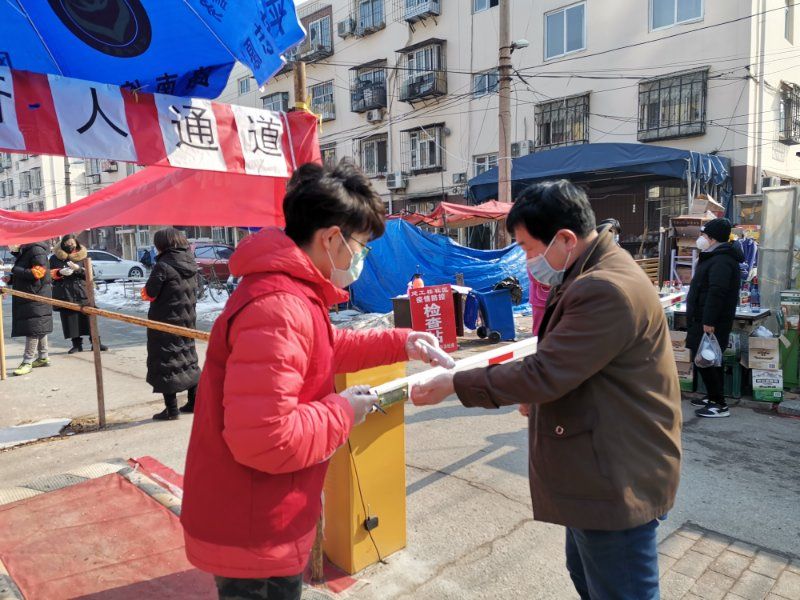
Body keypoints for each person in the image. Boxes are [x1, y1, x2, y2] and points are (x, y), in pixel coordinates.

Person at [180, 162, 445, 600]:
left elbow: (325, 346)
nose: (360, 257)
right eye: (361, 245)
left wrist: (404, 342)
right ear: (332, 238)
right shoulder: (279, 306)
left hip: (265, 513)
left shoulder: (291, 293)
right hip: (254, 526)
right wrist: (344, 411)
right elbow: (266, 438)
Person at [412, 180, 682, 600]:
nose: (526, 260)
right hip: (600, 466)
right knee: (588, 576)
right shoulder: (591, 270)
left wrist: (454, 382)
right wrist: (536, 393)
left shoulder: (603, 288)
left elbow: (545, 372)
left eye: (527, 248)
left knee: (621, 589)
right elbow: (570, 365)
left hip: (616, 475)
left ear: (566, 239)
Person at [141, 228, 201, 420]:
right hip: (187, 319)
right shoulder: (191, 262)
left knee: (166, 361)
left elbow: (150, 293)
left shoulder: (163, 266)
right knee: (188, 358)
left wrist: (144, 291)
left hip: (165, 321)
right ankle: (194, 402)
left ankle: (171, 410)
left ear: (162, 245)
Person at [686, 218, 743, 418]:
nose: (701, 238)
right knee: (705, 358)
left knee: (708, 360)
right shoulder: (715, 256)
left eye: (704, 235)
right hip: (702, 318)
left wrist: (709, 321)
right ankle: (712, 396)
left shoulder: (722, 260)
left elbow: (717, 292)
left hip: (710, 321)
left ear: (712, 238)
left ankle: (719, 404)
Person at [49, 234, 108, 354]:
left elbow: (90, 274)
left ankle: (96, 343)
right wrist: (59, 272)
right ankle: (76, 345)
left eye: (72, 243)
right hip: (65, 292)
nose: (70, 246)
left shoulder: (84, 255)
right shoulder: (55, 258)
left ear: (76, 243)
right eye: (67, 244)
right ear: (62, 244)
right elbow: (49, 274)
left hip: (82, 291)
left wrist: (78, 269)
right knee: (71, 320)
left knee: (89, 317)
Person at [7, 242, 53, 376]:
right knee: (38, 326)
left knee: (32, 328)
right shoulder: (26, 252)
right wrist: (11, 279)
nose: (9, 246)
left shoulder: (36, 250)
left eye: (11, 242)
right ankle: (43, 357)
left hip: (37, 295)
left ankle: (27, 361)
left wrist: (14, 269)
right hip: (31, 294)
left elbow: (38, 273)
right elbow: (27, 274)